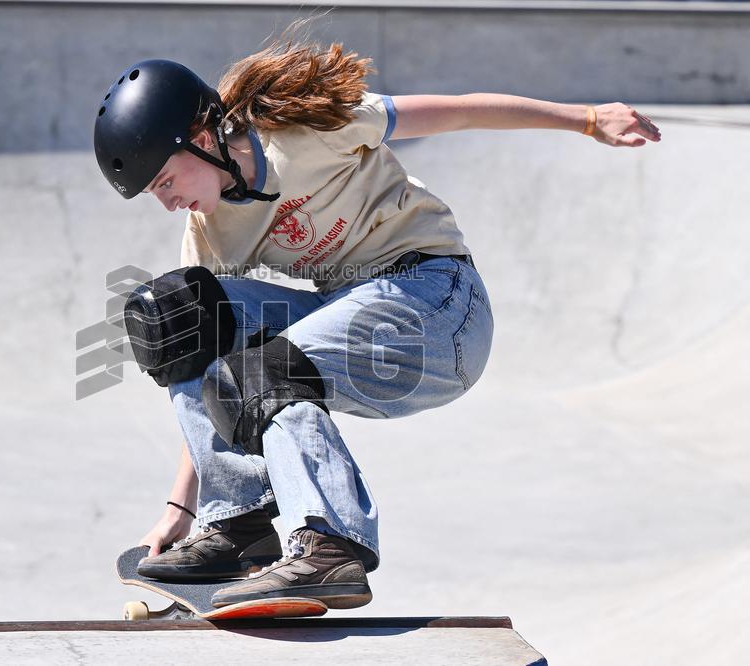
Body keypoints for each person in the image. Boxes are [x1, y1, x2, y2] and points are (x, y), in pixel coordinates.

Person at [93, 27, 660, 610]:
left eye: (165, 180)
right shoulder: (211, 230)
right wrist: (179, 510)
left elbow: (460, 113)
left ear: (201, 135)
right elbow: (208, 377)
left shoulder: (308, 127)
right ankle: (239, 525)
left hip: (440, 306)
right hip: (355, 313)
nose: (167, 202)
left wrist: (587, 118)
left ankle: (329, 546)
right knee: (178, 315)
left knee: (263, 373)